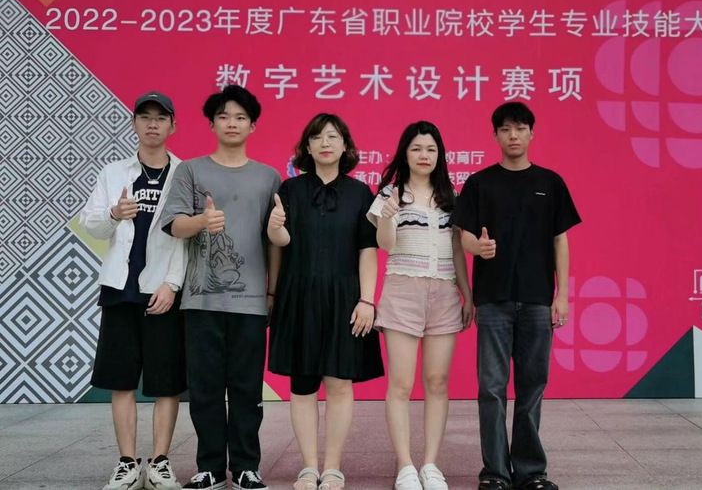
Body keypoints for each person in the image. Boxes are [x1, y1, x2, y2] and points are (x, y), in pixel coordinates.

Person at [451, 102, 581, 490]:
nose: (513, 135)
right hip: (493, 300)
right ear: (494, 135)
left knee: (532, 386)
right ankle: (495, 473)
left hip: (538, 300)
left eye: (520, 128)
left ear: (531, 134)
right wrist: (478, 248)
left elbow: (560, 241)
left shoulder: (551, 183)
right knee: (491, 388)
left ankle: (530, 472)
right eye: (505, 129)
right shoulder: (479, 183)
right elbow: (463, 236)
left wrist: (562, 294)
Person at [160, 85, 281, 490]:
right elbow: (174, 225)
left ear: (253, 126)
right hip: (201, 301)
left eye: (240, 117)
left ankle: (246, 466)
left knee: (247, 388)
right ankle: (210, 467)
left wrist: (272, 293)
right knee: (206, 388)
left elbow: (274, 241)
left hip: (251, 302)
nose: (232, 123)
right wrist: (202, 222)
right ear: (211, 124)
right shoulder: (190, 171)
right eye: (224, 116)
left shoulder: (269, 177)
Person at [266, 113, 384, 490]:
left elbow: (367, 249)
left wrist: (367, 300)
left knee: (339, 384)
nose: (325, 143)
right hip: (298, 296)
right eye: (317, 137)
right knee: (302, 385)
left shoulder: (360, 193)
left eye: (333, 136)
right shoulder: (290, 190)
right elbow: (281, 243)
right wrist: (275, 228)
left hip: (345, 298)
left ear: (345, 145)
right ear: (308, 146)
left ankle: (332, 466)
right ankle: (308, 466)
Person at [80, 91, 187, 490]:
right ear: (134, 124)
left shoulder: (185, 173)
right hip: (120, 290)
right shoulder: (113, 173)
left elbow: (186, 239)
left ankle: (160, 463)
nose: (152, 124)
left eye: (160, 117)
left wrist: (172, 284)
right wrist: (114, 214)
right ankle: (127, 463)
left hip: (163, 291)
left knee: (166, 382)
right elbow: (91, 223)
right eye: (145, 117)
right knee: (122, 380)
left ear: (173, 125)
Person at [368, 121, 474, 490]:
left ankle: (430, 464)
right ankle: (405, 466)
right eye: (416, 149)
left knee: (437, 381)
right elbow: (384, 245)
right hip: (402, 292)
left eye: (430, 149)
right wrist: (388, 216)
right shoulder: (390, 194)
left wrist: (466, 293)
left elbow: (457, 248)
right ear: (405, 153)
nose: (424, 155)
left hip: (444, 294)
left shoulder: (451, 196)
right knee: (400, 384)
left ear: (439, 154)